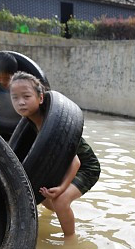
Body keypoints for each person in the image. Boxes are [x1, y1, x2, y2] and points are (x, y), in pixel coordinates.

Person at [9, 71, 100, 238]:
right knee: (40, 193)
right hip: (62, 165)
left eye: (26, 96)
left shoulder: (55, 126)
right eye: (15, 97)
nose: (20, 102)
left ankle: (71, 240)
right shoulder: (30, 126)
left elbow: (76, 162)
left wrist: (62, 188)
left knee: (60, 200)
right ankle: (60, 212)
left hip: (86, 168)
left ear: (41, 98)